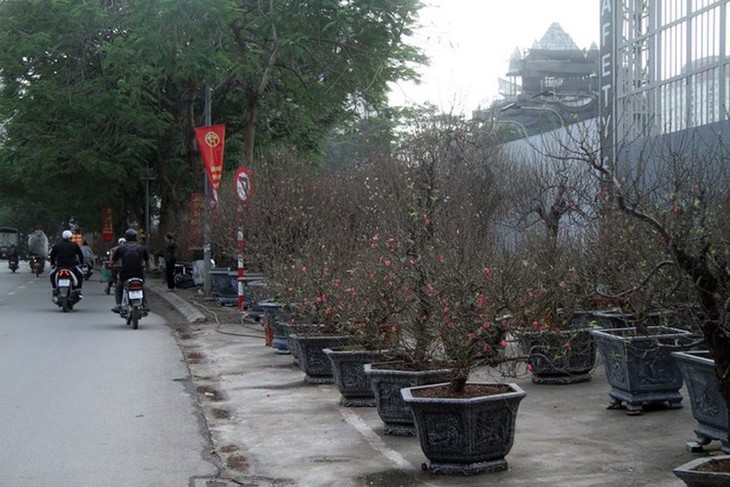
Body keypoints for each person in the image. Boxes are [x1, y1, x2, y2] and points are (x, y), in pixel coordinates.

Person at [111, 229, 150, 313]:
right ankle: (145, 304)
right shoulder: (142, 248)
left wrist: (112, 267)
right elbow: (147, 261)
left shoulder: (121, 248)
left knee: (119, 287)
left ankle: (118, 305)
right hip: (139, 274)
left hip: (125, 275)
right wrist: (146, 269)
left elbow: (113, 261)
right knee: (142, 287)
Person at [49, 230, 85, 300]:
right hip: (72, 267)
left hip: (60, 267)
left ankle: (54, 289)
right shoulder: (74, 245)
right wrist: (81, 263)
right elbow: (80, 255)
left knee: (52, 275)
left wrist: (52, 264)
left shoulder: (57, 245)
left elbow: (52, 256)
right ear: (71, 237)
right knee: (80, 275)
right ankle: (78, 290)